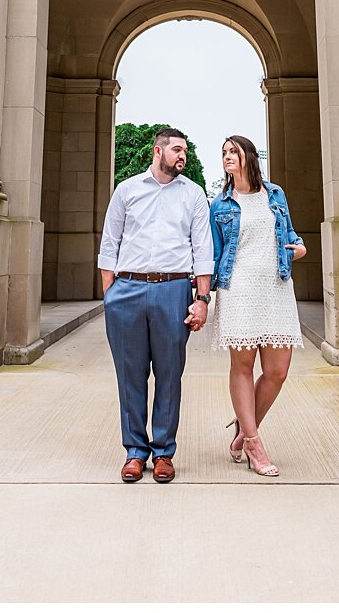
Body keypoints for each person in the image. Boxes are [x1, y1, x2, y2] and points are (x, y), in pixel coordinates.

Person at [98, 127, 212, 484]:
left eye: (185, 152)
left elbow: (202, 249)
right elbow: (109, 244)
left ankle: (163, 452)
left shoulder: (193, 195)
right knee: (130, 375)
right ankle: (135, 452)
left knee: (168, 375)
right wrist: (110, 296)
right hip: (127, 289)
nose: (183, 157)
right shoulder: (127, 190)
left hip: (173, 289)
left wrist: (202, 300)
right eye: (177, 150)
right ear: (157, 151)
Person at [208, 134, 306, 478]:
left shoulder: (275, 194)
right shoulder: (220, 204)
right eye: (223, 154)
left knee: (277, 371)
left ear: (249, 156)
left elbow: (291, 235)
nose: (227, 157)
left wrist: (299, 247)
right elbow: (216, 253)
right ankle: (252, 441)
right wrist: (204, 295)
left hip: (276, 287)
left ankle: (244, 425)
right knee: (244, 367)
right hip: (239, 290)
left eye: (233, 152)